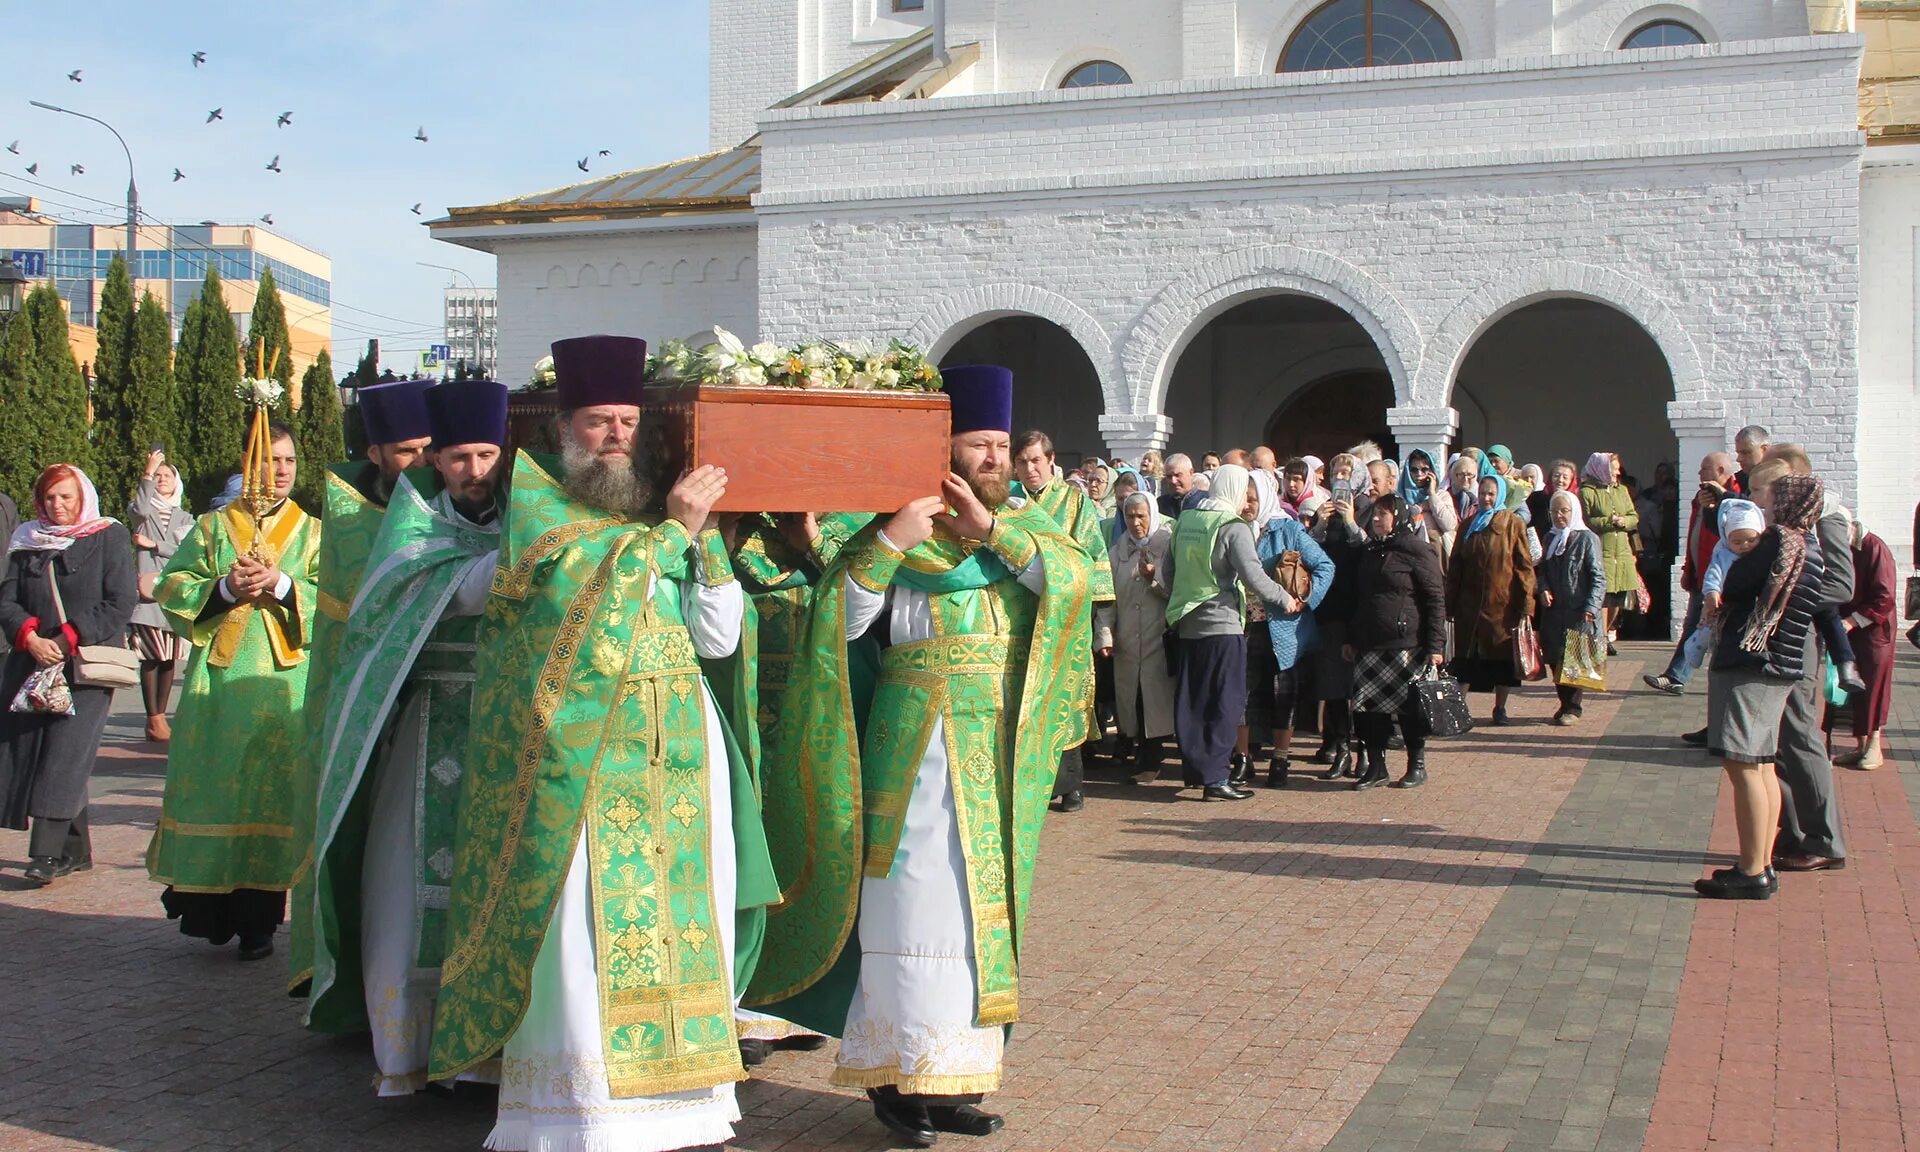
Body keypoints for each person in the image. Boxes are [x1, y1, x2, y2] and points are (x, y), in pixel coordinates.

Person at [428, 336, 773, 1152]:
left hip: (681, 754)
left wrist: (707, 541)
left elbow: (718, 640)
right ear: (563, 428)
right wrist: (675, 536)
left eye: (626, 420)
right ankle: (585, 1115)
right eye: (597, 421)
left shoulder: (665, 512)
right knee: (584, 931)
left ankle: (685, 1105)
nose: (614, 435)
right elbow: (568, 601)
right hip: (584, 760)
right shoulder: (540, 515)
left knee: (689, 921)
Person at [743, 364, 1093, 1146]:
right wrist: (896, 539)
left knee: (978, 921)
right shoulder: (893, 531)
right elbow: (842, 620)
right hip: (913, 750)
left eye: (1004, 445)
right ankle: (897, 1080)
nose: (997, 459)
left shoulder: (1022, 535)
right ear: (946, 452)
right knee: (909, 909)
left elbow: (1070, 584)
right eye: (981, 445)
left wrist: (990, 532)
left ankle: (954, 1078)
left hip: (997, 755)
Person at [297, 378, 508, 1095]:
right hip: (428, 724)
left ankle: (494, 1051)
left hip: (510, 728)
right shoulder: (413, 523)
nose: (473, 472)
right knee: (405, 888)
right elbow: (416, 597)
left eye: (486, 454)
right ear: (436, 462)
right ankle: (410, 1051)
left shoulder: (530, 515)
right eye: (457, 458)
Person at [146, 423, 322, 960]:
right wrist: (225, 587)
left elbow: (337, 596)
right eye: (272, 459)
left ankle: (261, 921)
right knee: (217, 792)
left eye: (290, 460)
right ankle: (208, 910)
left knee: (272, 797)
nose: (283, 469)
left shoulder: (314, 531)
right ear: (250, 464)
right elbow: (171, 585)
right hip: (217, 691)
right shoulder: (213, 527)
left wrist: (282, 586)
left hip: (284, 689)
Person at [291, 377, 437, 992]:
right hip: (365, 708)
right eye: (407, 451)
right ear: (375, 454)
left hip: (435, 703)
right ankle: (348, 979)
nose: (423, 463)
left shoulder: (449, 504)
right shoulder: (352, 521)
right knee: (359, 843)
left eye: (432, 447)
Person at [0, 465, 138, 884]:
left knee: (63, 753)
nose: (58, 506)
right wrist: (28, 636)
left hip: (84, 666)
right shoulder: (26, 540)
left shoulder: (106, 535)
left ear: (83, 498)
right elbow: (7, 599)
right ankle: (76, 850)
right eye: (49, 498)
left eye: (66, 497)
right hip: (32, 664)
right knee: (33, 750)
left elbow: (120, 599)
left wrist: (66, 638)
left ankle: (44, 853)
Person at [1694, 474, 1826, 900]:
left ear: (1786, 500)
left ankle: (1753, 869)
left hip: (1755, 661)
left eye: (1765, 493)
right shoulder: (1810, 546)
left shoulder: (1779, 541)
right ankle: (1761, 861)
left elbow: (1734, 582)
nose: (1758, 500)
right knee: (1762, 763)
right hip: (1781, 663)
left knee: (1744, 763)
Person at [1165, 464, 1296, 800]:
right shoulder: (1232, 526)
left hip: (1187, 623)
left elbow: (1167, 571)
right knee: (1225, 701)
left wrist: (1183, 596)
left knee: (1193, 701)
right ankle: (1216, 778)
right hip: (1222, 625)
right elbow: (1253, 576)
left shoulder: (1186, 520)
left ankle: (1196, 771)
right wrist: (1286, 598)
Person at [1756, 447, 1853, 873]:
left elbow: (1842, 586)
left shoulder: (1827, 518)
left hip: (1799, 635)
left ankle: (1825, 839)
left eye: (1766, 491)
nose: (1761, 500)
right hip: (1777, 637)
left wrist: (1788, 596)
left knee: (1799, 734)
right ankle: (1794, 832)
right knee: (1778, 740)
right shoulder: (1782, 521)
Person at [1013, 431, 1115, 813]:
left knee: (1065, 697)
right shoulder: (1010, 502)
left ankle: (1071, 785)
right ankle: (1030, 785)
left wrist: (1098, 619)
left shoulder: (1074, 503)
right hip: (1021, 614)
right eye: (1022, 462)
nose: (1029, 469)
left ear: (1051, 460)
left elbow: (1093, 557)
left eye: (1035, 461)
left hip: (1066, 615)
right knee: (1027, 699)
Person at [1343, 494, 1446, 789]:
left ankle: (1417, 766)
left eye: (1383, 515)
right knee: (1368, 710)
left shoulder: (1415, 549)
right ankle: (1377, 767)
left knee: (1410, 709)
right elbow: (1358, 598)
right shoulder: (1370, 550)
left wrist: (1435, 646)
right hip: (1369, 643)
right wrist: (1352, 637)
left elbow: (1435, 599)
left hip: (1407, 645)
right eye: (1374, 514)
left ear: (1397, 517)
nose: (1376, 519)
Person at [1254, 499, 1334, 788]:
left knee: (1282, 695)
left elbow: (1325, 566)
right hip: (1246, 627)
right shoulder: (1234, 529)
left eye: (1254, 498)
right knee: (1247, 695)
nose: (1249, 505)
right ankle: (1242, 759)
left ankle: (1280, 759)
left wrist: (1307, 600)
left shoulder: (1287, 530)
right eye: (1245, 498)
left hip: (1283, 629)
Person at [1646, 451, 1740, 696]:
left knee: (1702, 629)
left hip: (1720, 578)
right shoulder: (1701, 499)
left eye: (1704, 470)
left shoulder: (1736, 499)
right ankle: (1676, 676)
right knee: (1693, 627)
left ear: (1720, 471)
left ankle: (1679, 676)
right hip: (1702, 575)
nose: (1699, 475)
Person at [1446, 472, 1535, 725]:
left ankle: (1500, 708)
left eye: (1491, 494)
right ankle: (1459, 710)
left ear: (1500, 496)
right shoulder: (1468, 525)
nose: (1486, 498)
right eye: (1483, 493)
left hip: (1501, 606)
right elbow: (1455, 567)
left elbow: (1524, 567)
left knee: (1500, 661)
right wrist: (1450, 603)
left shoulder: (1513, 524)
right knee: (1464, 661)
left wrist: (1526, 604)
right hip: (1468, 605)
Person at [126, 451, 194, 742]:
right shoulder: (142, 511)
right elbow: (138, 510)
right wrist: (147, 471)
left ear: (176, 482)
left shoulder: (185, 516)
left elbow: (186, 550)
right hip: (146, 594)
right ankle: (153, 718)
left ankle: (160, 718)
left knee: (168, 659)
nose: (162, 479)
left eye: (167, 475)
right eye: (158, 476)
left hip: (172, 594)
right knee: (150, 658)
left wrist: (154, 544)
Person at [1109, 492, 1175, 778]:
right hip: (1126, 639)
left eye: (1141, 516)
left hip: (1157, 637)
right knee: (1130, 698)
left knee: (1154, 698)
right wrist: (1105, 635)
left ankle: (1152, 756)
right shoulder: (1117, 551)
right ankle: (1135, 749)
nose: (1136, 522)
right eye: (1130, 516)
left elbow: (1176, 592)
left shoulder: (1168, 545)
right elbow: (1108, 598)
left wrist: (1154, 580)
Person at [1828, 520, 1896, 770]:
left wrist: (1852, 621)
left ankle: (1874, 744)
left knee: (1873, 686)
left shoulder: (1875, 548)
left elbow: (1884, 596)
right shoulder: (1845, 548)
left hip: (1873, 631)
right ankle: (1860, 744)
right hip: (1849, 629)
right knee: (1851, 689)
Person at [1535, 491, 1606, 726]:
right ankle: (1564, 703)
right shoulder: (1550, 538)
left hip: (1578, 609)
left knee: (1575, 659)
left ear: (1573, 511)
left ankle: (1573, 707)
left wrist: (1592, 605)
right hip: (1555, 611)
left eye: (1563, 510)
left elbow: (1598, 576)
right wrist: (1543, 588)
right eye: (1554, 511)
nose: (1558, 516)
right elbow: (1543, 569)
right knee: (1556, 658)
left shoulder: (1587, 539)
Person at [1308, 486, 1364, 776]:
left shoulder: (1365, 517)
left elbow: (1366, 550)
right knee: (1334, 689)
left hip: (1357, 620)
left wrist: (1352, 520)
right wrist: (1318, 523)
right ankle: (1341, 749)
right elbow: (1306, 553)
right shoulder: (1322, 527)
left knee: (1361, 692)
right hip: (1328, 619)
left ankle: (1365, 753)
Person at [1579, 452, 1638, 654]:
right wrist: (1608, 521)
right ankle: (1600, 637)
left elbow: (1633, 516)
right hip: (1601, 548)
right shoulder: (1587, 492)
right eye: (1614, 468)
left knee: (1618, 596)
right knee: (1602, 596)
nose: (1618, 472)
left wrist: (1624, 521)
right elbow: (1586, 520)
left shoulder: (1621, 490)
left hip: (1621, 550)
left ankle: (1607, 632)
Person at [1396, 449, 1457, 551]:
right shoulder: (1400, 497)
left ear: (1431, 472)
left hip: (1435, 553)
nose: (1419, 474)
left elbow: (1449, 526)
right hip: (1407, 551)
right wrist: (1418, 509)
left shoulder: (1441, 495)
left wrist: (1432, 495)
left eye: (1424, 470)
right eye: (1414, 470)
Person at [1158, 452, 1197, 520]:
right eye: (1169, 476)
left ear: (1191, 472)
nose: (1173, 481)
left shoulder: (1203, 502)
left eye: (1177, 475)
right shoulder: (1161, 504)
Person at [1732, 424, 1770, 493]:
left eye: (1745, 452)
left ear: (1764, 450)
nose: (1738, 459)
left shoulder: (1779, 482)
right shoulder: (1740, 480)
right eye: (1738, 453)